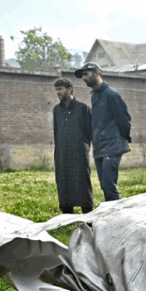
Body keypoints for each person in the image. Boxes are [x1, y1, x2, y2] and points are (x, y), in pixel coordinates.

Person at [75, 62, 131, 202]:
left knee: (108, 185)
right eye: (82, 75)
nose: (83, 78)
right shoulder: (95, 96)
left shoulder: (111, 94)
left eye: (86, 74)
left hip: (112, 146)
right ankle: (112, 212)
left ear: (97, 73)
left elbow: (124, 118)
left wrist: (126, 138)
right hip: (99, 147)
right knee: (104, 185)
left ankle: (116, 214)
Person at [52, 78, 93, 215]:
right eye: (56, 89)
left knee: (83, 183)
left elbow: (90, 132)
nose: (58, 92)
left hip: (79, 153)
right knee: (64, 183)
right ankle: (67, 216)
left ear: (70, 90)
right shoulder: (56, 110)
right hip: (62, 154)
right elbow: (56, 133)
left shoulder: (83, 108)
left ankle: (88, 217)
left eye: (60, 89)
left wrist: (83, 147)